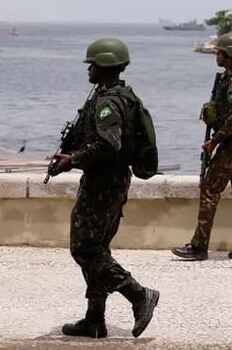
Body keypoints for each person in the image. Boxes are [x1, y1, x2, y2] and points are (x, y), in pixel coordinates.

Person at [50, 38, 159, 338]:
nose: (89, 69)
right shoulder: (116, 96)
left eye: (93, 64)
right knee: (98, 249)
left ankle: (139, 295)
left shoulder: (108, 103)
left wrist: (73, 159)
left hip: (103, 183)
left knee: (84, 248)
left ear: (105, 66)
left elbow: (108, 145)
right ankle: (95, 318)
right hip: (111, 181)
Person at [173, 32, 232, 260]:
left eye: (220, 52)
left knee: (210, 189)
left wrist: (215, 140)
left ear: (229, 55)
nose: (217, 55)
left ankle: (199, 246)